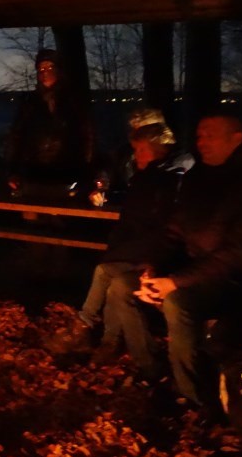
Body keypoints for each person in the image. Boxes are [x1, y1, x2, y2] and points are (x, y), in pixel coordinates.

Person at [106, 113, 242, 412]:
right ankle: (152, 371)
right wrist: (153, 266)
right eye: (199, 135)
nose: (202, 142)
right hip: (189, 269)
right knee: (123, 285)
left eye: (210, 135)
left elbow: (239, 255)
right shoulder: (197, 177)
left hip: (235, 282)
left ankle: (193, 398)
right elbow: (174, 233)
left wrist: (174, 282)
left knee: (178, 302)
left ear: (236, 139)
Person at [70, 117, 191, 359]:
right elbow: (133, 214)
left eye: (141, 150)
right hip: (137, 249)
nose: (137, 156)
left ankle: (94, 332)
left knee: (114, 278)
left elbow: (159, 228)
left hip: (153, 256)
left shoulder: (171, 179)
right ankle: (95, 333)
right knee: (106, 270)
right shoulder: (147, 176)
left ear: (158, 149)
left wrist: (134, 253)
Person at [6, 49, 94, 200]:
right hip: (34, 173)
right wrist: (13, 170)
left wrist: (85, 167)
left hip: (66, 172)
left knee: (63, 213)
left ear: (58, 70)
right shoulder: (30, 103)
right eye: (41, 69)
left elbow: (86, 135)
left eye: (49, 68)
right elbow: (16, 135)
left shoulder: (72, 100)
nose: (45, 72)